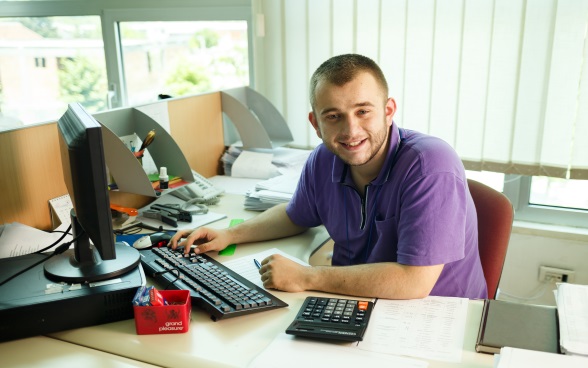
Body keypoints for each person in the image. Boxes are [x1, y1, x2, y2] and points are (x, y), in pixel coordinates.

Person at [170, 54, 487, 300]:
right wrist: (229, 234)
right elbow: (296, 215)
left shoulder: (429, 164)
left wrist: (307, 277)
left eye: (363, 111)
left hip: (436, 315)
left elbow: (413, 282)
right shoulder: (323, 158)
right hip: (358, 301)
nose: (350, 131)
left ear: (389, 110)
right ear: (315, 122)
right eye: (333, 116)